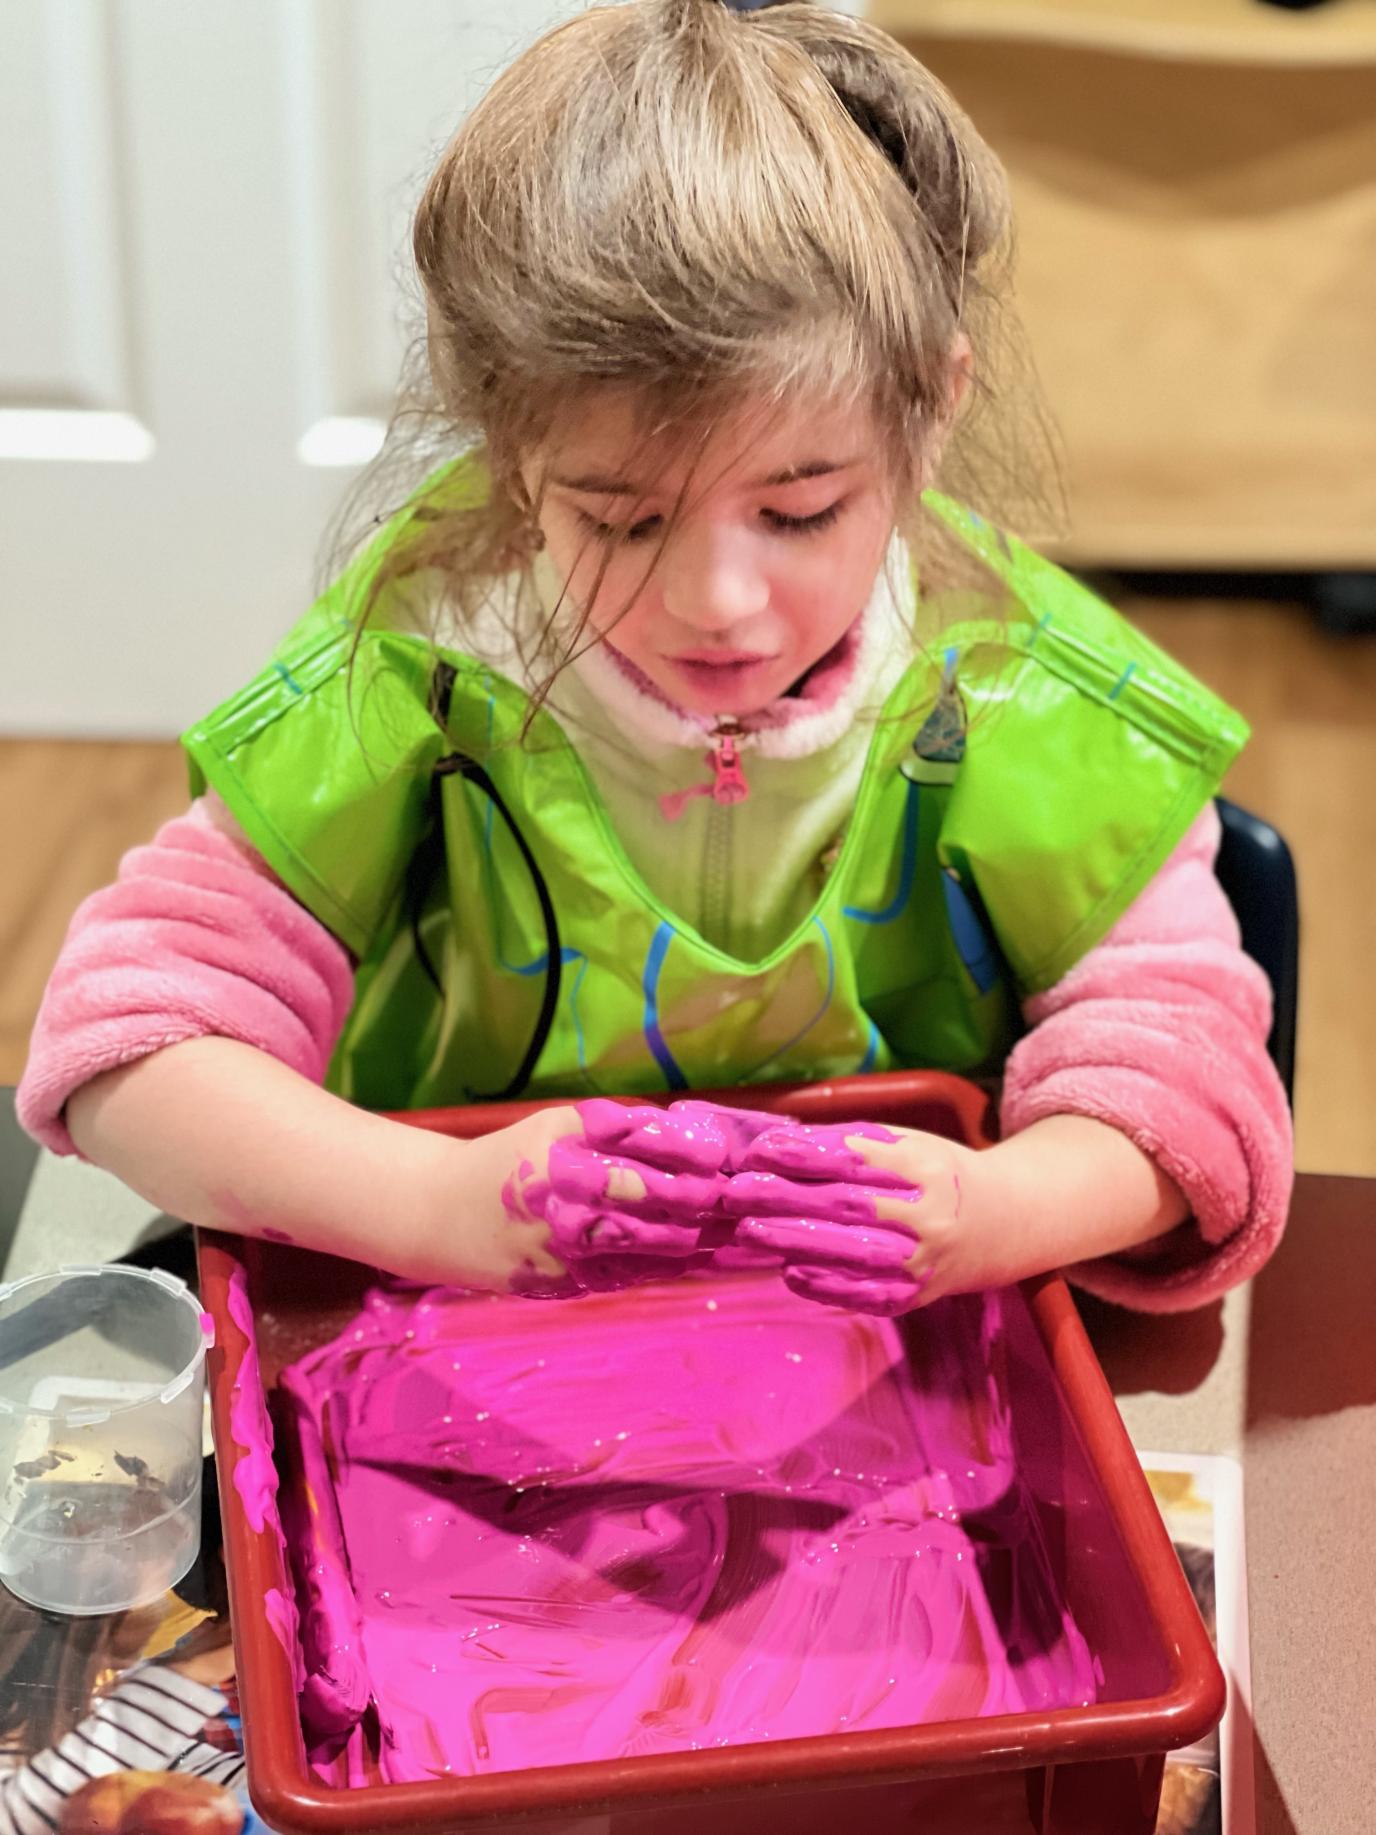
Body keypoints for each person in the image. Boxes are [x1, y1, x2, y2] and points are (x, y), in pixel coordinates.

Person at [17, 0, 1290, 1315]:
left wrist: (995, 1212)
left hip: (892, 1355)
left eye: (801, 511)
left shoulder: (1028, 693)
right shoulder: (423, 676)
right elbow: (126, 1051)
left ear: (931, 410)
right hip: (464, 1339)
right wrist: (432, 1206)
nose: (718, 603)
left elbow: (1189, 1084)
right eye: (622, 518)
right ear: (513, 458)